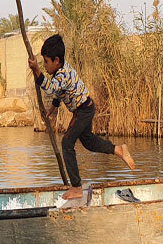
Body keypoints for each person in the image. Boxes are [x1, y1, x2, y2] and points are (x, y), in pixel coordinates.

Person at [28, 34, 135, 200]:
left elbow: (50, 89)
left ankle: (76, 187)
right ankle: (118, 150)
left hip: (83, 110)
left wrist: (36, 69)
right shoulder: (60, 71)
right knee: (89, 142)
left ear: (56, 60)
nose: (45, 65)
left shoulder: (62, 74)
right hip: (85, 108)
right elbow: (58, 91)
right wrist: (53, 108)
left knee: (67, 143)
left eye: (46, 62)